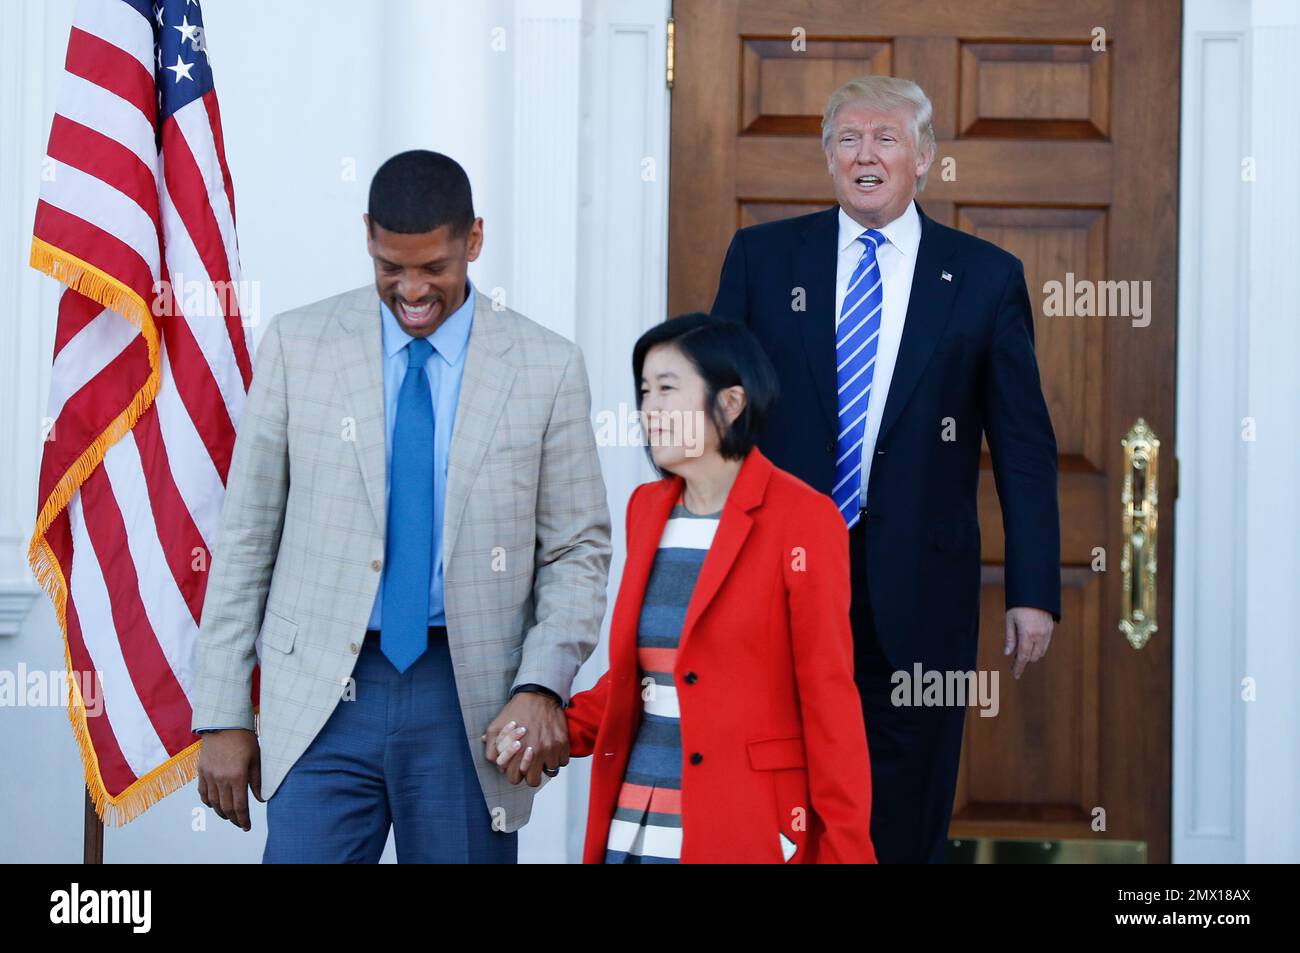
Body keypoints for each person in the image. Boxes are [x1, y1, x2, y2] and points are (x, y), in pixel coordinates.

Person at [191, 150, 612, 862]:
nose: (412, 289)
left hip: (469, 696)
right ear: (368, 237)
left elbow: (577, 548)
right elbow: (246, 536)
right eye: (391, 267)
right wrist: (222, 711)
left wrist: (542, 682)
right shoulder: (300, 345)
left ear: (473, 241)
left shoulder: (548, 365)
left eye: (434, 268)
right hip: (320, 697)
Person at [710, 76, 1061, 863]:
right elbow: (718, 419)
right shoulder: (763, 258)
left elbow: (1022, 445)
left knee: (903, 810)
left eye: (887, 138)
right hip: (782, 579)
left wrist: (1033, 590)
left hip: (922, 594)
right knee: (775, 799)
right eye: (849, 139)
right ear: (828, 157)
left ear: (925, 159)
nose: (866, 155)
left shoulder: (984, 276)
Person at [495, 314, 875, 863]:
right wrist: (548, 729)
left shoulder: (804, 520)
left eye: (668, 390)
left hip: (746, 828)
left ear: (731, 403)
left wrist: (848, 853)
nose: (649, 410)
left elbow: (829, 701)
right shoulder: (647, 511)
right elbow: (644, 678)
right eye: (644, 392)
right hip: (636, 824)